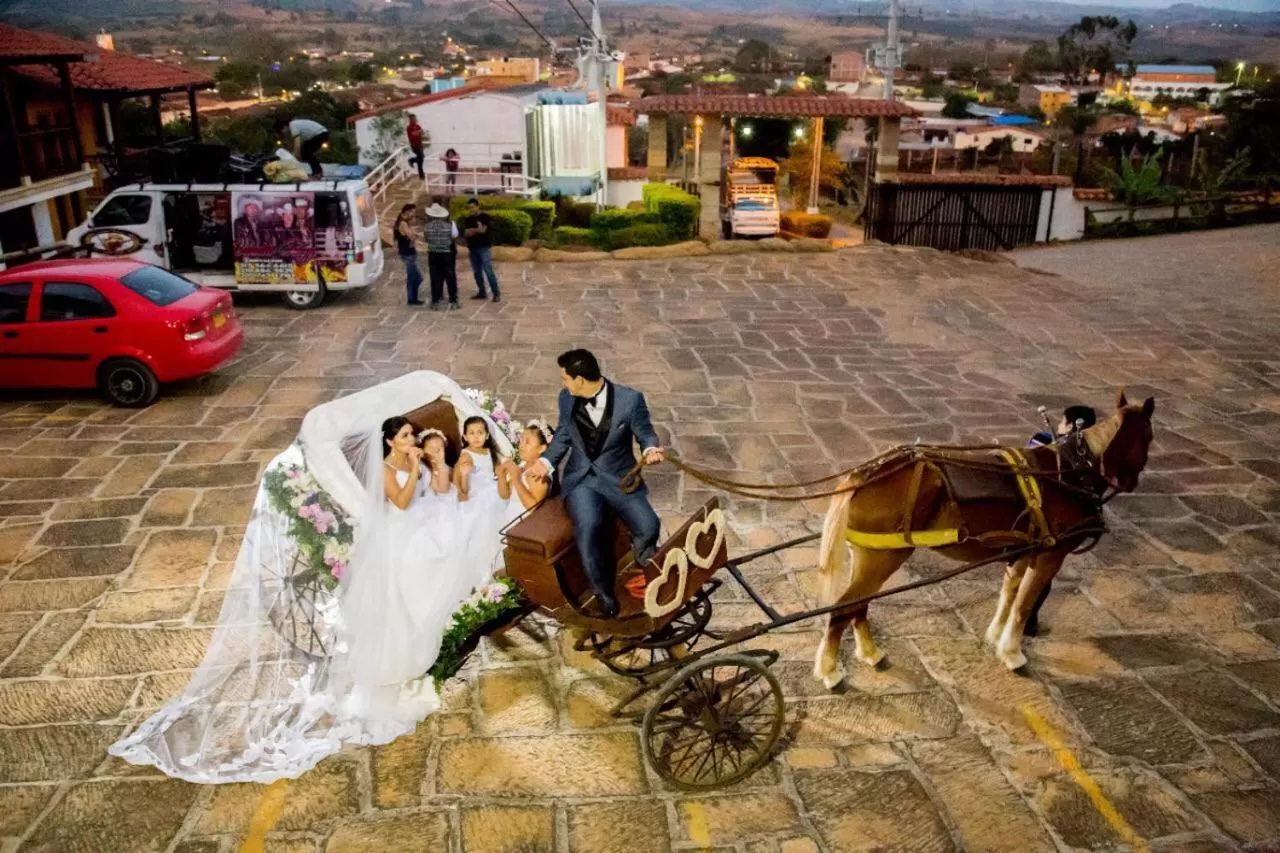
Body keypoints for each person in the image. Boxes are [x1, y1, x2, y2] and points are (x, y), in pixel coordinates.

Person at [107, 405, 511, 784]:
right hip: (402, 524)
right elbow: (403, 503)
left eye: (411, 434)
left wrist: (432, 466)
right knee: (436, 549)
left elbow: (431, 491)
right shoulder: (390, 468)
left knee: (458, 531)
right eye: (407, 435)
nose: (413, 438)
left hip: (424, 511)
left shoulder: (414, 458)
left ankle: (467, 593)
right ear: (391, 441)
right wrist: (419, 465)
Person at [536, 349, 664, 617]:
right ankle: (603, 592)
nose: (563, 384)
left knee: (649, 525)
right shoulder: (566, 399)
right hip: (582, 480)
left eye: (566, 379)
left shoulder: (630, 400)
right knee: (588, 526)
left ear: (580, 379)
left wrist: (650, 449)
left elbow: (645, 432)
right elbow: (563, 434)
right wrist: (547, 463)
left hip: (619, 478)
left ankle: (648, 569)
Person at [1021, 403, 1098, 637]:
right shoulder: (1088, 453)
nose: (1059, 424)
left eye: (1063, 421)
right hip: (1055, 520)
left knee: (1037, 573)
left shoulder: (1050, 442)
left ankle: (1027, 618)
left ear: (1071, 426)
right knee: (1041, 573)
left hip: (1039, 515)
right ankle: (1028, 619)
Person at [454, 416, 513, 576]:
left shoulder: (489, 452)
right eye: (471, 433)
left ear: (487, 435)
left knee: (505, 504)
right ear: (465, 437)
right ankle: (491, 562)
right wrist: (464, 475)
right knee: (487, 518)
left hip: (492, 489)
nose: (476, 436)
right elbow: (459, 482)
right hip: (477, 495)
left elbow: (496, 470)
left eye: (480, 432)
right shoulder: (466, 455)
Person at [498, 420, 555, 527]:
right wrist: (501, 475)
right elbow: (505, 496)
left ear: (541, 448)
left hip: (525, 527)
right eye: (521, 440)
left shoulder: (539, 474)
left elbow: (533, 508)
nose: (521, 445)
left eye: (527, 442)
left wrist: (516, 479)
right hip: (509, 520)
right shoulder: (522, 466)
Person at [461, 197, 501, 303]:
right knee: (477, 272)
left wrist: (473, 230)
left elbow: (483, 230)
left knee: (488, 271)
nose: (471, 209)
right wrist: (476, 230)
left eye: (473, 207)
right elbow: (465, 233)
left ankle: (496, 293)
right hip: (472, 248)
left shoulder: (485, 217)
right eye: (469, 208)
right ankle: (481, 292)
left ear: (477, 206)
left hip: (484, 248)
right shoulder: (468, 219)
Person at [423, 201, 460, 311]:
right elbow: (455, 236)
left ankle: (435, 301)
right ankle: (453, 301)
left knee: (435, 277)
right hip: (446, 254)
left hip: (433, 254)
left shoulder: (427, 227)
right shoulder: (450, 225)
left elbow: (426, 239)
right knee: (450, 276)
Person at [394, 203, 424, 306]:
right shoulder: (403, 223)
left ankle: (413, 298)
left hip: (408, 252)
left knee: (412, 276)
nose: (414, 214)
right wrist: (413, 233)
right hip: (407, 253)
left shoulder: (403, 222)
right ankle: (412, 298)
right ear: (407, 211)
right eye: (413, 212)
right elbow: (411, 237)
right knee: (416, 277)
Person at [406, 115, 426, 181]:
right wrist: (418, 132)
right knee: (421, 158)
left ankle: (412, 160)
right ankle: (421, 175)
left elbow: (422, 132)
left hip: (420, 145)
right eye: (413, 119)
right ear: (410, 120)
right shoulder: (409, 127)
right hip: (415, 146)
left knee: (421, 159)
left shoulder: (417, 126)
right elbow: (412, 135)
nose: (414, 120)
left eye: (415, 118)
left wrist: (419, 132)